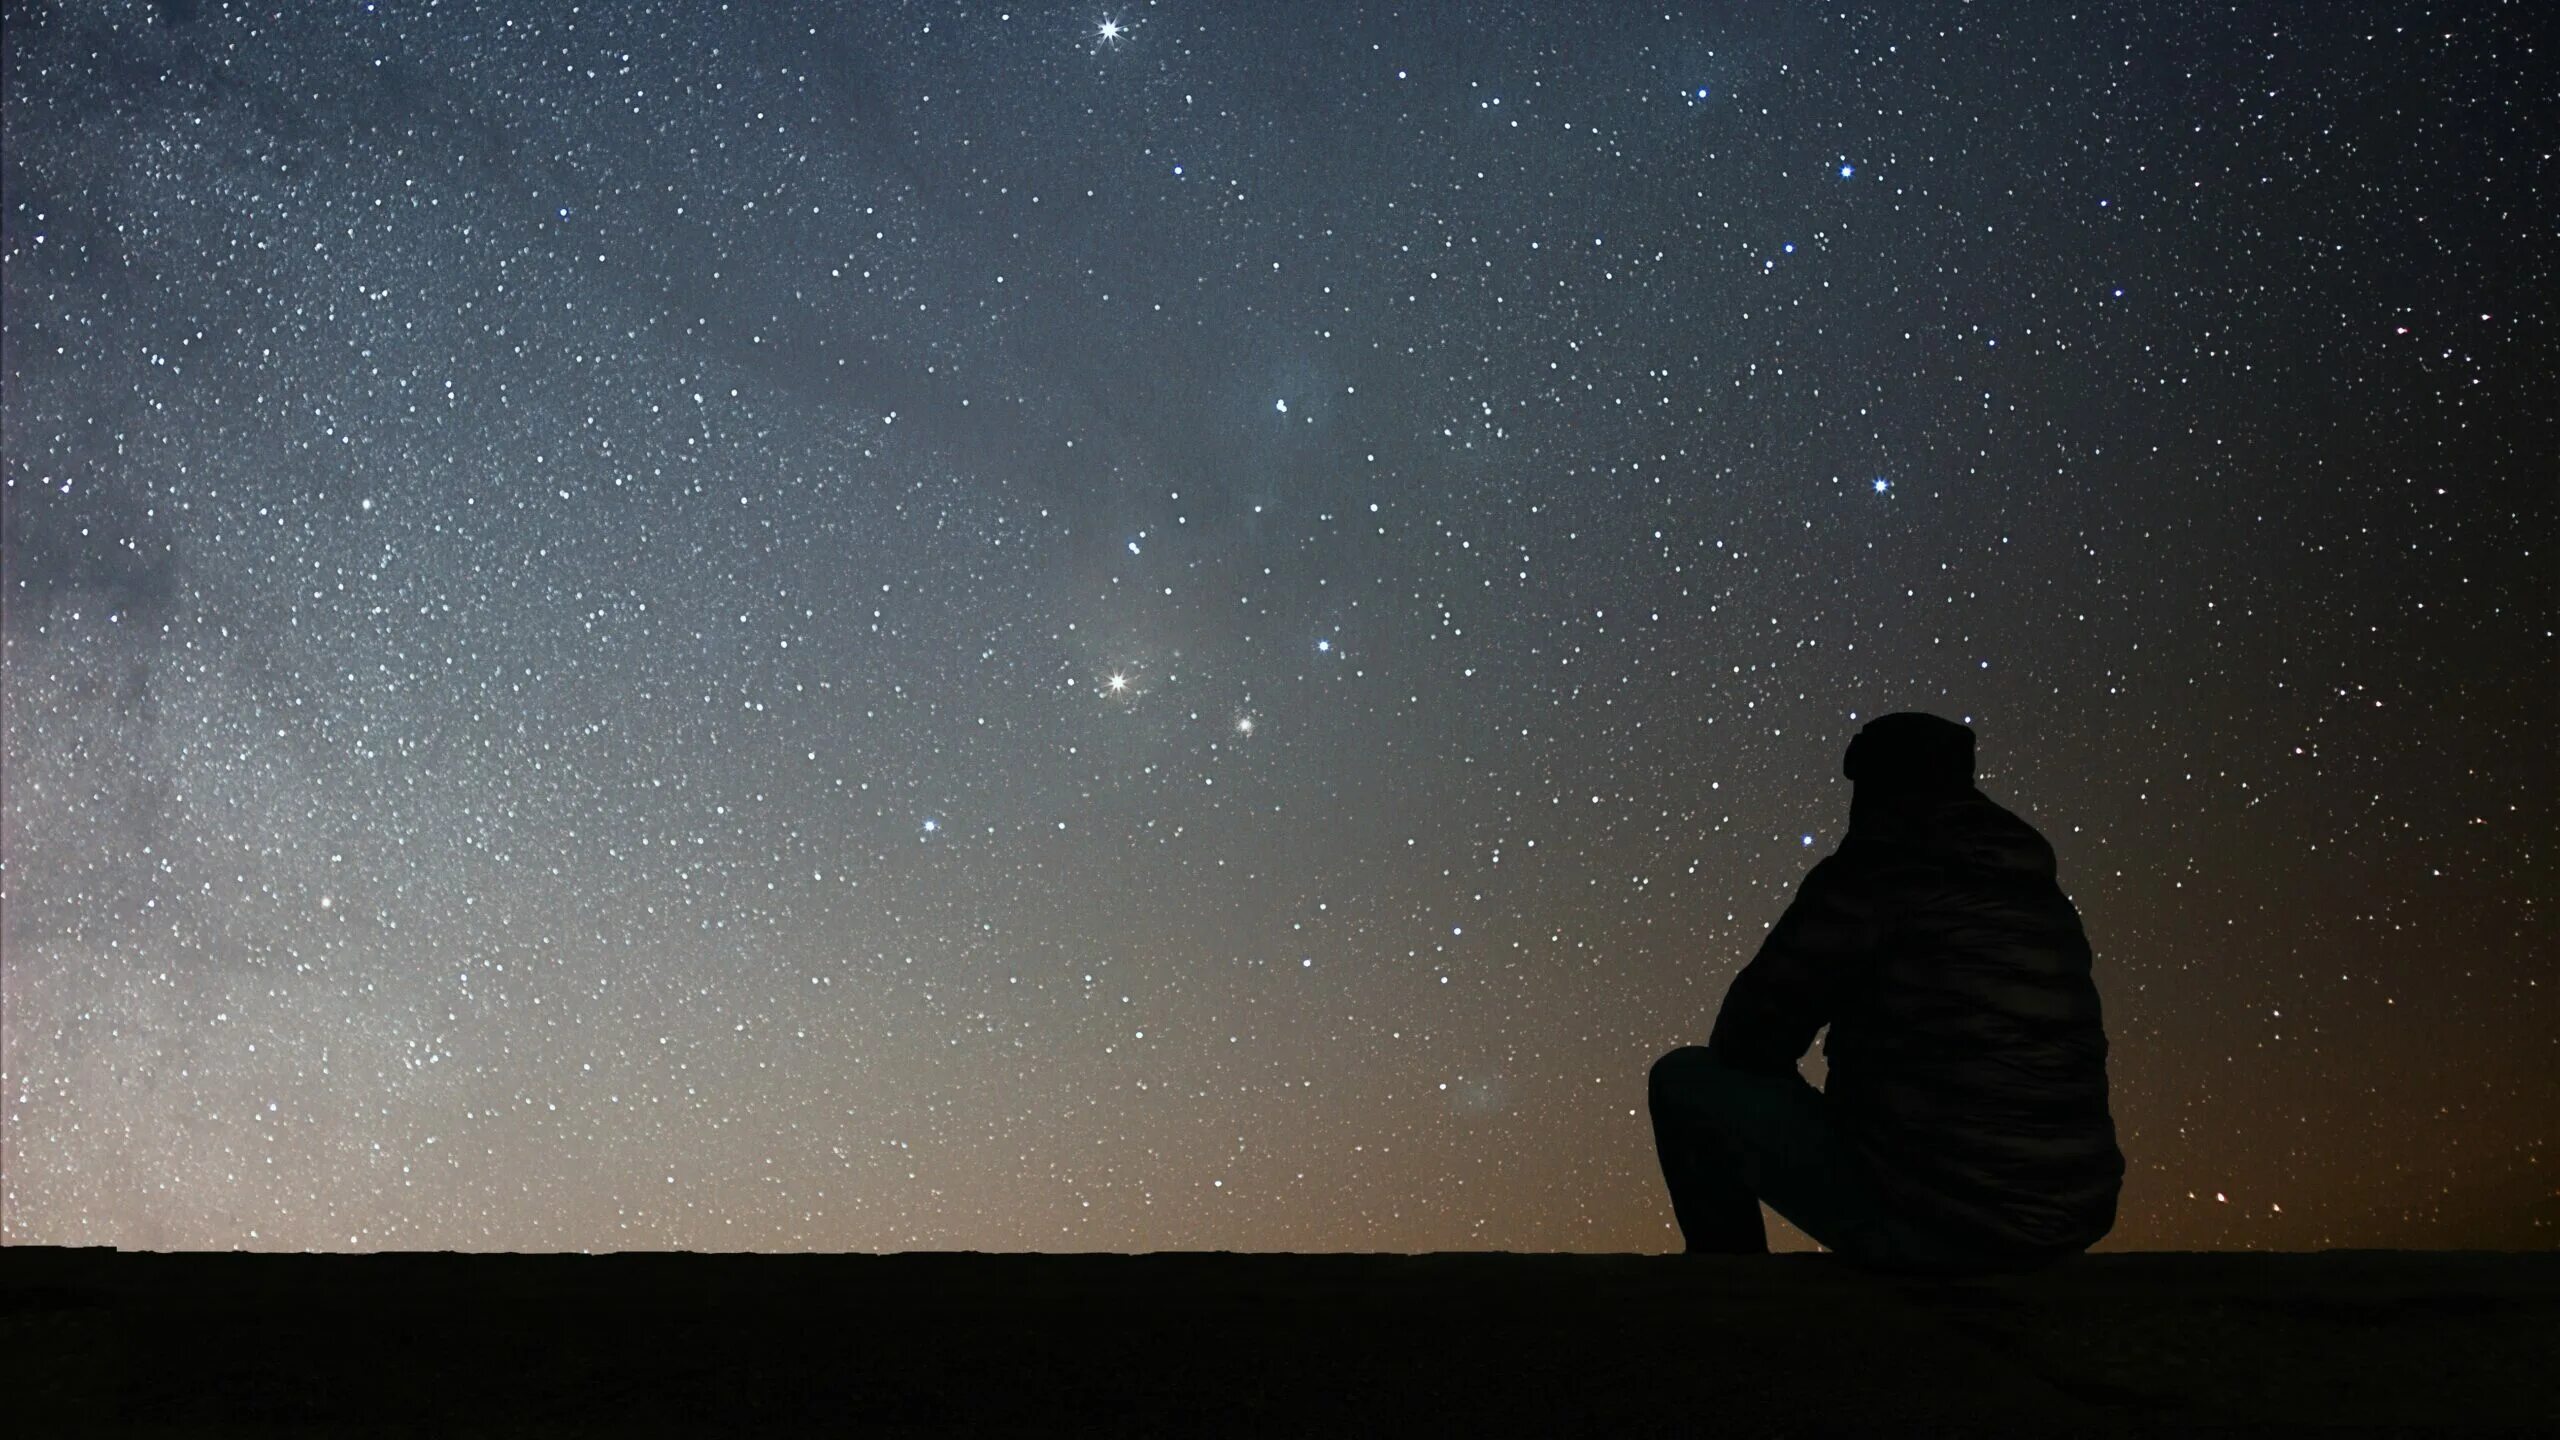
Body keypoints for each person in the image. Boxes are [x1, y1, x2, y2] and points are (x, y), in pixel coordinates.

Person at [1649, 712, 2125, 1274]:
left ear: (1873, 782)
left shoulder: (1873, 873)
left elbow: (1746, 1038)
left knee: (1686, 1081)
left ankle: (1727, 1295)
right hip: (2063, 1221)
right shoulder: (2037, 893)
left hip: (1941, 1226)